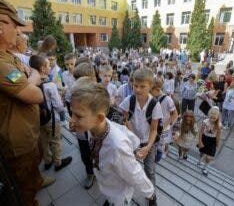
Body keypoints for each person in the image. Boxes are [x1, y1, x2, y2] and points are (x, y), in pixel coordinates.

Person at [0, 0, 54, 205]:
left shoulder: (2, 54)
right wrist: (34, 78)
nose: (18, 31)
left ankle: (37, 181)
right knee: (23, 192)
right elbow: (35, 93)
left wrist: (30, 77)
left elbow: (28, 76)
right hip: (15, 145)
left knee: (33, 168)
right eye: (15, 25)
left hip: (27, 135)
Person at [69, 81, 156, 206]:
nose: (72, 119)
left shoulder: (117, 147)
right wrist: (136, 146)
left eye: (78, 116)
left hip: (119, 195)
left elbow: (134, 173)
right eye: (72, 113)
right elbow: (122, 129)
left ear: (99, 118)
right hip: (107, 183)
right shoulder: (95, 126)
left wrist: (150, 192)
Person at [119, 68, 162, 205]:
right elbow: (125, 119)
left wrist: (147, 148)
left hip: (149, 143)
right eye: (135, 85)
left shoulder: (155, 104)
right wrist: (133, 138)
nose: (137, 89)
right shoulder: (129, 100)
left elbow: (154, 130)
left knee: (150, 171)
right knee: (130, 169)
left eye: (142, 86)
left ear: (150, 86)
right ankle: (125, 194)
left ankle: (151, 195)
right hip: (133, 142)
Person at [29, 55, 72, 171]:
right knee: (55, 141)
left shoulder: (30, 84)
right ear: (43, 68)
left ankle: (48, 161)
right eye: (48, 65)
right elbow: (58, 106)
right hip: (52, 119)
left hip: (39, 119)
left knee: (43, 140)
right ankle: (58, 163)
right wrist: (63, 109)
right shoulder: (50, 85)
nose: (50, 67)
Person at [151, 77, 178, 161]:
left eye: (151, 91)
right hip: (154, 126)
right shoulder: (153, 97)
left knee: (159, 148)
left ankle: (156, 162)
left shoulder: (168, 99)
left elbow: (175, 114)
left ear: (157, 89)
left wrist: (164, 125)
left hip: (163, 129)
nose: (149, 93)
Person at [198, 107, 222, 176]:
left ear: (217, 117)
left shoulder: (219, 125)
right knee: (202, 152)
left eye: (214, 118)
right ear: (209, 115)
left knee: (208, 157)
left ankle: (205, 167)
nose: (212, 119)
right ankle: (200, 160)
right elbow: (201, 132)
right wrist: (200, 141)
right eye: (211, 117)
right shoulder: (205, 121)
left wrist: (217, 144)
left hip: (212, 141)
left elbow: (218, 136)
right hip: (204, 138)